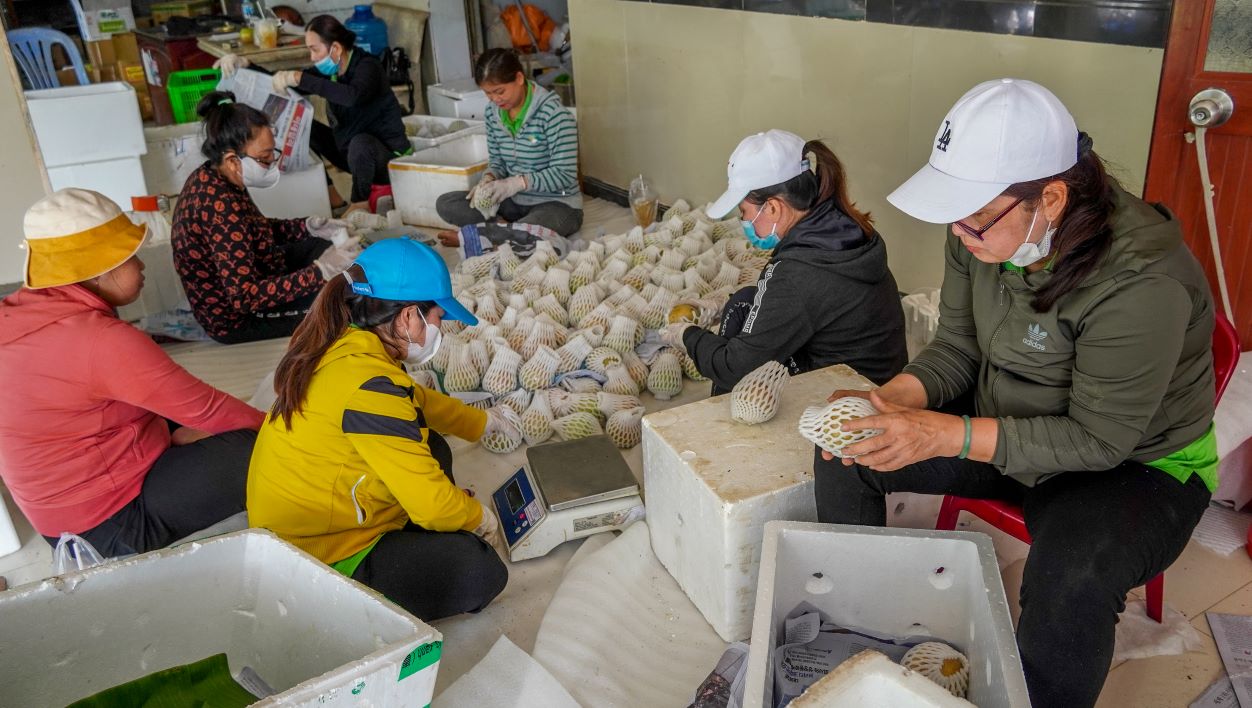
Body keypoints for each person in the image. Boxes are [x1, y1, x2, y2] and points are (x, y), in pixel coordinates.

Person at [819, 79, 1216, 708]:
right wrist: (889, 400)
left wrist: (943, 433)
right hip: (1009, 421)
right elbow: (956, 349)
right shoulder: (983, 237)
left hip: (1133, 466)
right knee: (849, 444)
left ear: (1051, 199)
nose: (959, 233)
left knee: (1071, 576)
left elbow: (1097, 439)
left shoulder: (1143, 282)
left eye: (974, 217)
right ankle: (860, 636)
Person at [247, 237, 512, 620]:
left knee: (432, 444)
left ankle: (409, 530)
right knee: (478, 571)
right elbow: (433, 506)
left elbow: (416, 400)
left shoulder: (346, 344)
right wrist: (478, 518)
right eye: (437, 316)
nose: (440, 327)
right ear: (408, 317)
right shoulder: (370, 389)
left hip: (310, 518)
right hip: (315, 558)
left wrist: (482, 422)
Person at [0, 189, 264, 558]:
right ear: (100, 268)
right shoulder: (100, 340)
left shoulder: (14, 315)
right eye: (130, 257)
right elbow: (208, 410)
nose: (140, 266)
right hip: (108, 528)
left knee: (190, 420)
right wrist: (287, 431)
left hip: (58, 524)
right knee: (256, 448)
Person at [662, 130, 907, 394]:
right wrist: (719, 305)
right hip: (882, 377)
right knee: (743, 301)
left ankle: (728, 429)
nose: (743, 222)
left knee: (738, 338)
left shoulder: (797, 272)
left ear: (773, 208)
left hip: (847, 397)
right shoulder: (843, 227)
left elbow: (732, 368)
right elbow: (796, 300)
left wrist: (687, 336)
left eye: (744, 212)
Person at [172, 90, 360, 344]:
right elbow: (244, 297)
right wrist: (319, 272)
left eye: (273, 153)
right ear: (232, 160)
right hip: (240, 317)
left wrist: (309, 227)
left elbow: (252, 230)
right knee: (342, 304)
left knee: (322, 247)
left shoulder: (216, 175)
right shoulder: (219, 205)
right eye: (263, 158)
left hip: (260, 267)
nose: (272, 162)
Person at [218, 15, 410, 214]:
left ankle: (360, 202)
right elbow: (290, 83)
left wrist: (300, 78)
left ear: (335, 48)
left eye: (314, 49)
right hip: (352, 156)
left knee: (360, 142)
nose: (312, 57)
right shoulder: (332, 71)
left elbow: (352, 96)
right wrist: (247, 65)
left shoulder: (368, 67)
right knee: (307, 128)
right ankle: (333, 197)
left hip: (387, 159)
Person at [434, 48, 581, 257]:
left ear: (519, 78)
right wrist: (489, 179)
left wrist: (517, 183)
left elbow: (564, 174)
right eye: (488, 93)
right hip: (513, 203)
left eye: (500, 91)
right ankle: (504, 232)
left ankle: (483, 236)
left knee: (532, 227)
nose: (495, 99)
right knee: (446, 203)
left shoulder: (555, 116)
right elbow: (497, 162)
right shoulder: (493, 114)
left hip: (557, 203)